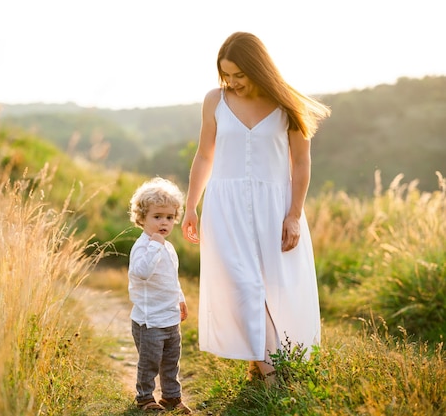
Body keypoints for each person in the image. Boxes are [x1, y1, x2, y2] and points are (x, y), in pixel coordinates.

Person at [181, 32, 331, 385]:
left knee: (275, 288)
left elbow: (301, 164)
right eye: (226, 75)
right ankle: (273, 376)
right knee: (243, 284)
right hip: (225, 206)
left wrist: (294, 214)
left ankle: (265, 364)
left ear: (257, 68)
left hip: (275, 207)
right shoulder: (214, 100)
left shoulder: (288, 104)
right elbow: (205, 155)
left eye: (239, 75)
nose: (232, 83)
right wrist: (191, 205)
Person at [128, 177, 192, 413]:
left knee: (170, 361)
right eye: (157, 217)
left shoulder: (167, 246)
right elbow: (141, 272)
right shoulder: (144, 246)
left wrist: (180, 298)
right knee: (149, 363)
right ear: (142, 218)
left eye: (169, 217)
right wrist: (155, 245)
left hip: (169, 317)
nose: (164, 222)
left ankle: (171, 397)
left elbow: (171, 278)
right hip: (149, 320)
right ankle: (145, 398)